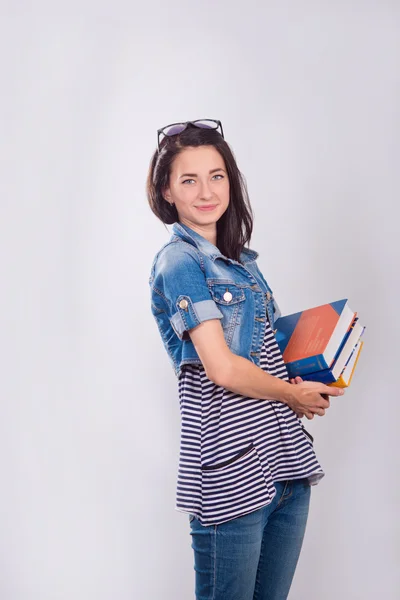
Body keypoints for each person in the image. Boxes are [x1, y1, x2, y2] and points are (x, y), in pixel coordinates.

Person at [147, 119, 344, 600]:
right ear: (168, 191)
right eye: (188, 180)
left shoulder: (242, 262)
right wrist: (290, 392)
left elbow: (265, 355)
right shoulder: (181, 264)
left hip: (284, 463)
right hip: (230, 473)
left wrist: (319, 368)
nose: (206, 191)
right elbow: (223, 368)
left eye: (216, 176)